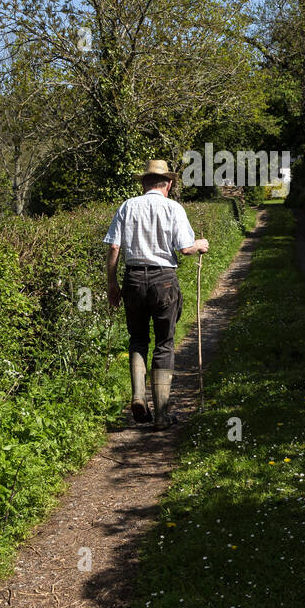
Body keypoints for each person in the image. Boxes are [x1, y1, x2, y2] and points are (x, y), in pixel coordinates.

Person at [104, 159, 209, 429]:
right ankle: (162, 415)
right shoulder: (174, 208)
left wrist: (112, 285)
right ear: (169, 184)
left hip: (133, 279)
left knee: (138, 339)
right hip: (164, 280)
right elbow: (185, 248)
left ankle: (139, 396)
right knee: (164, 343)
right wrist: (200, 245)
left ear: (143, 183)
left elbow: (114, 248)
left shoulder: (128, 206)